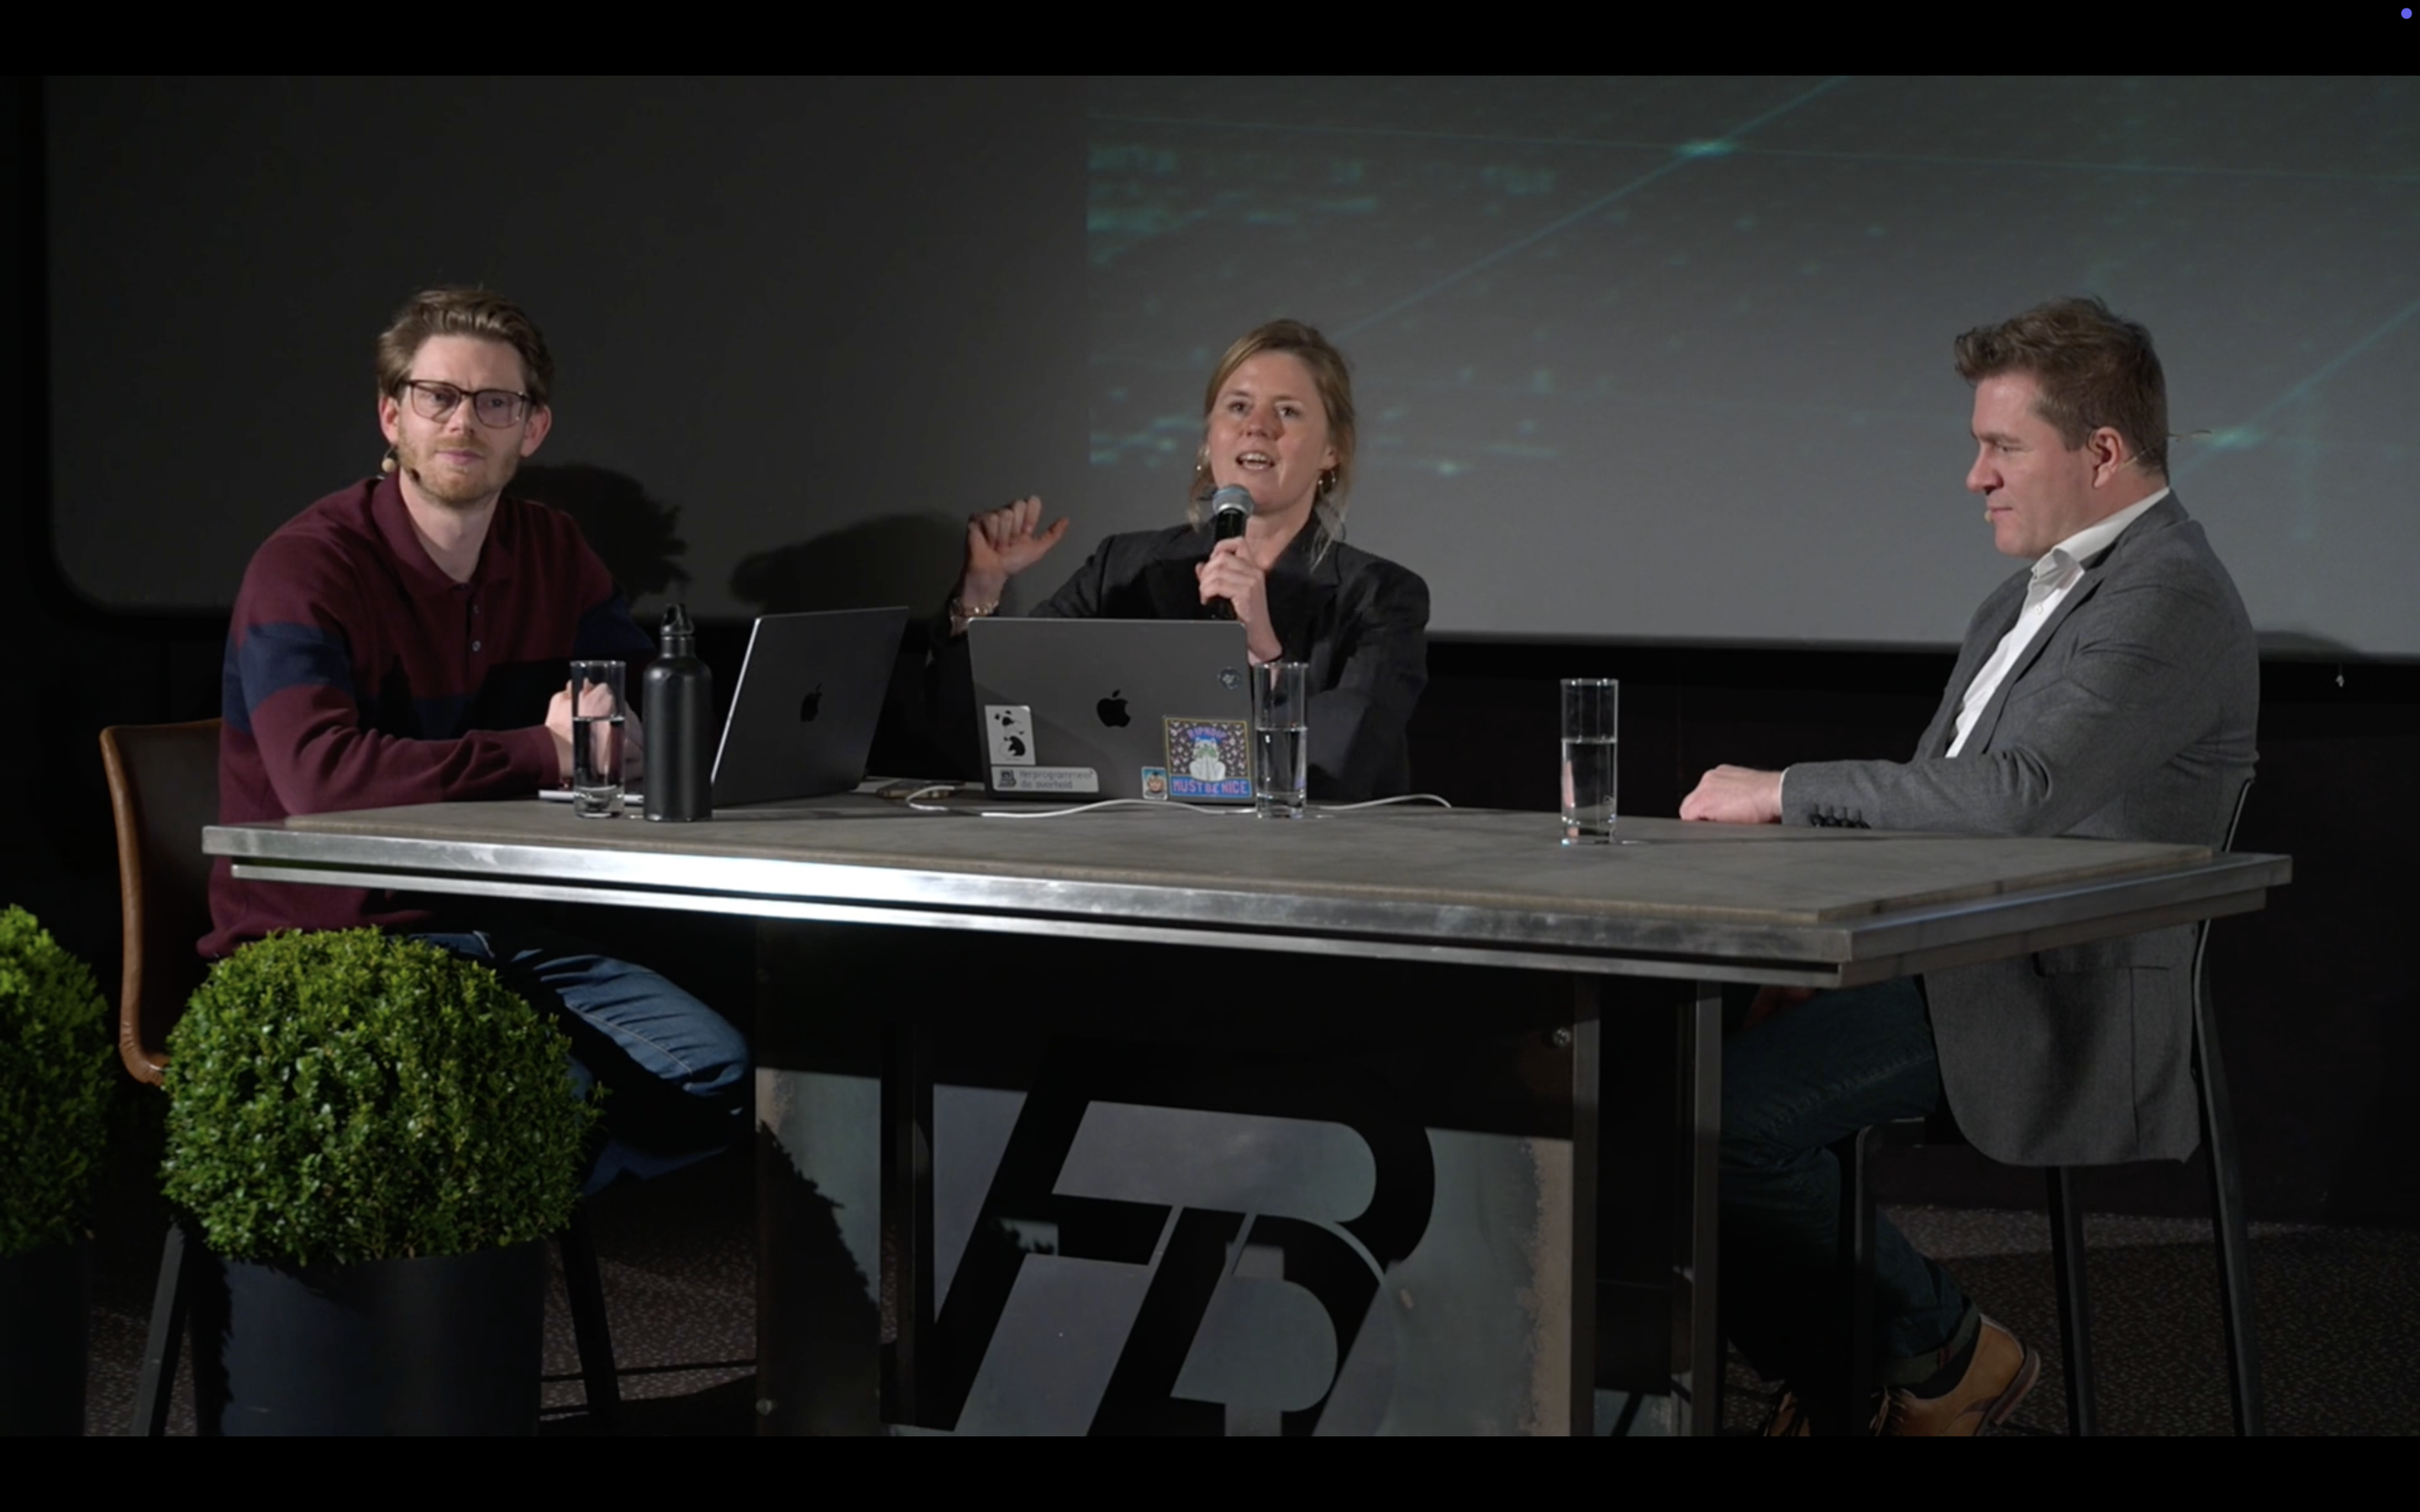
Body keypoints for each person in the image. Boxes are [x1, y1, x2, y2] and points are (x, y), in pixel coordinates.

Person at [1679, 296, 2257, 1435]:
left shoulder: (2170, 592)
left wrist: (1784, 789)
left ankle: (1942, 1352)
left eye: (2002, 447)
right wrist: (1828, 950)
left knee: (1725, 1127)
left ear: (2101, 452)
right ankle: (1854, 1386)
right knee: (1656, 1099)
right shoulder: (2023, 597)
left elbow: (2015, 796)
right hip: (1949, 962)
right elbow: (1933, 807)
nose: (1975, 476)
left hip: (2051, 995)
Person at [204, 287, 748, 1191]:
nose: (464, 422)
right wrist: (547, 751)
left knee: (719, 1075)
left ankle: (477, 1205)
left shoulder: (552, 549)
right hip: (327, 936)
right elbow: (319, 780)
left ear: (532, 429)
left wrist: (624, 732)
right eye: (438, 397)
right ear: (394, 416)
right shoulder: (307, 566)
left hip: (493, 923)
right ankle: (455, 1231)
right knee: (546, 1095)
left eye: (495, 402)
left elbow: (633, 711)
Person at [944, 319, 1429, 801]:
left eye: (1288, 411)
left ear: (1332, 451)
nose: (1258, 426)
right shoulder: (1124, 568)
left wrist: (1265, 653)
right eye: (1238, 406)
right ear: (1208, 438)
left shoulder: (1381, 597)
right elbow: (989, 727)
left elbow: (1341, 766)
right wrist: (982, 588)